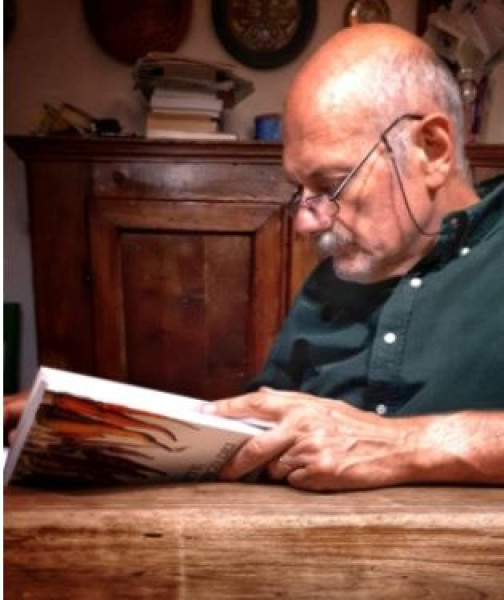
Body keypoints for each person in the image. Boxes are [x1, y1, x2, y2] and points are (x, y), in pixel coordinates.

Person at [203, 24, 504, 491]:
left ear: (432, 150)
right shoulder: (327, 284)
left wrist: (400, 445)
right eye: (300, 190)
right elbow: (262, 427)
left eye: (332, 185)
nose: (305, 223)